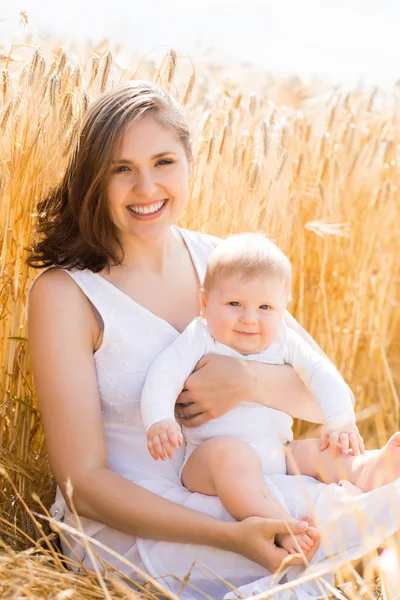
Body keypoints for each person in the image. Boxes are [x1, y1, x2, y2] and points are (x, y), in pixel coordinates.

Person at [27, 80, 400, 600]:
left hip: (242, 488)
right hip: (137, 525)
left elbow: (318, 394)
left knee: (375, 505)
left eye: (163, 162)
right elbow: (82, 484)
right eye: (121, 168)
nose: (146, 187)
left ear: (189, 163)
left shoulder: (224, 262)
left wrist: (246, 380)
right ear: (94, 178)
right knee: (313, 547)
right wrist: (231, 535)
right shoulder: (66, 293)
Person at [141, 232, 364, 556]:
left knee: (321, 450)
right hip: (209, 460)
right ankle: (279, 524)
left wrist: (340, 420)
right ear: (205, 304)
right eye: (234, 304)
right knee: (232, 456)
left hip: (277, 454)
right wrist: (159, 419)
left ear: (282, 309)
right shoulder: (201, 336)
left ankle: (369, 469)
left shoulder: (285, 340)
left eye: (265, 307)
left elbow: (323, 375)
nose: (249, 319)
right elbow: (163, 374)